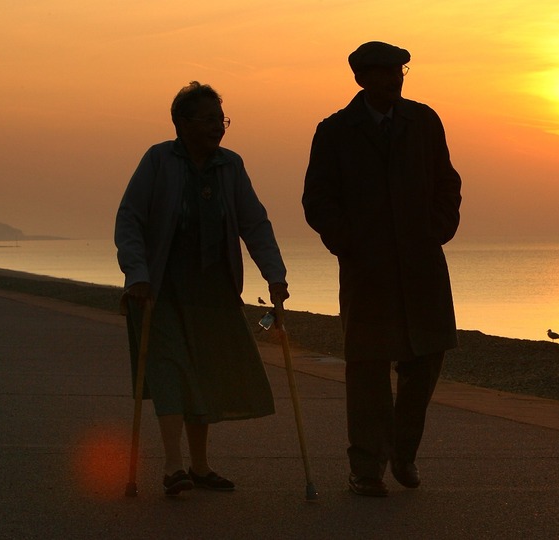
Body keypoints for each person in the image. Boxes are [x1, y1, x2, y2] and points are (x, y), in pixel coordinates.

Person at [302, 41, 463, 497]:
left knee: (427, 356)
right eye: (385, 72)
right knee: (368, 366)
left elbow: (448, 180)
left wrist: (438, 228)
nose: (395, 79)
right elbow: (318, 199)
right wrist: (348, 242)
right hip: (367, 269)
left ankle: (403, 451)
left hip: (421, 264)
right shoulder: (334, 131)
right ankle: (367, 467)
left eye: (400, 71)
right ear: (361, 79)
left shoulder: (424, 121)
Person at [115, 81, 289, 496]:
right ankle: (174, 467)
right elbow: (130, 219)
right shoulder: (158, 160)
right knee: (170, 370)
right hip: (159, 289)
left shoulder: (231, 165)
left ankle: (200, 466)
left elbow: (254, 223)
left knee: (204, 375)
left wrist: (276, 276)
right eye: (209, 119)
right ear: (181, 122)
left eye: (221, 119)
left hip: (213, 289)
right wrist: (137, 274)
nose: (218, 127)